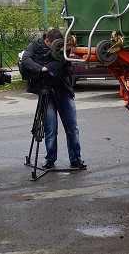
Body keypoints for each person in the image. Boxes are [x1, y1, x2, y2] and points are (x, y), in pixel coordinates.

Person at [21, 28, 86, 170]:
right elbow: (25, 60)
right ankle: (50, 159)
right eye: (55, 45)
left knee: (72, 127)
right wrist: (41, 69)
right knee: (50, 128)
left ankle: (76, 159)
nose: (59, 48)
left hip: (63, 91)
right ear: (46, 41)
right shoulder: (35, 45)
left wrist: (47, 68)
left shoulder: (63, 46)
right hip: (47, 93)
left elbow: (62, 67)